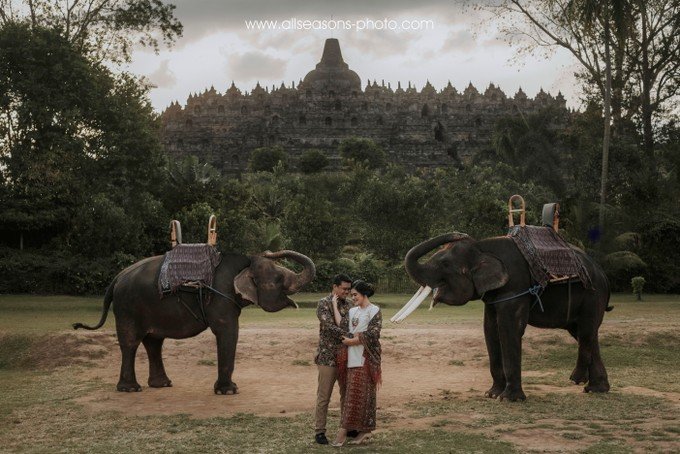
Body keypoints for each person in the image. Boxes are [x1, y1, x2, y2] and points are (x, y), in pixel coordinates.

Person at [332, 280, 382, 447]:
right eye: (352, 295)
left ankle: (345, 430)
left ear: (364, 294)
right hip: (351, 359)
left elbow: (373, 334)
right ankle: (362, 431)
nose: (353, 298)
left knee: (363, 396)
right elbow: (342, 325)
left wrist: (353, 341)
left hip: (366, 359)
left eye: (355, 295)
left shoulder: (374, 310)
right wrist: (333, 304)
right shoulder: (353, 311)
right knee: (353, 396)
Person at [314, 273, 353, 445]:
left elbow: (351, 325)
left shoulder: (351, 304)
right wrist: (348, 332)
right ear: (335, 287)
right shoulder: (323, 303)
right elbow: (329, 327)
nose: (347, 292)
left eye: (349, 289)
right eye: (344, 289)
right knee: (324, 396)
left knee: (346, 394)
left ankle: (346, 427)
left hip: (346, 356)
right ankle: (320, 431)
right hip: (327, 357)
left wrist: (348, 331)